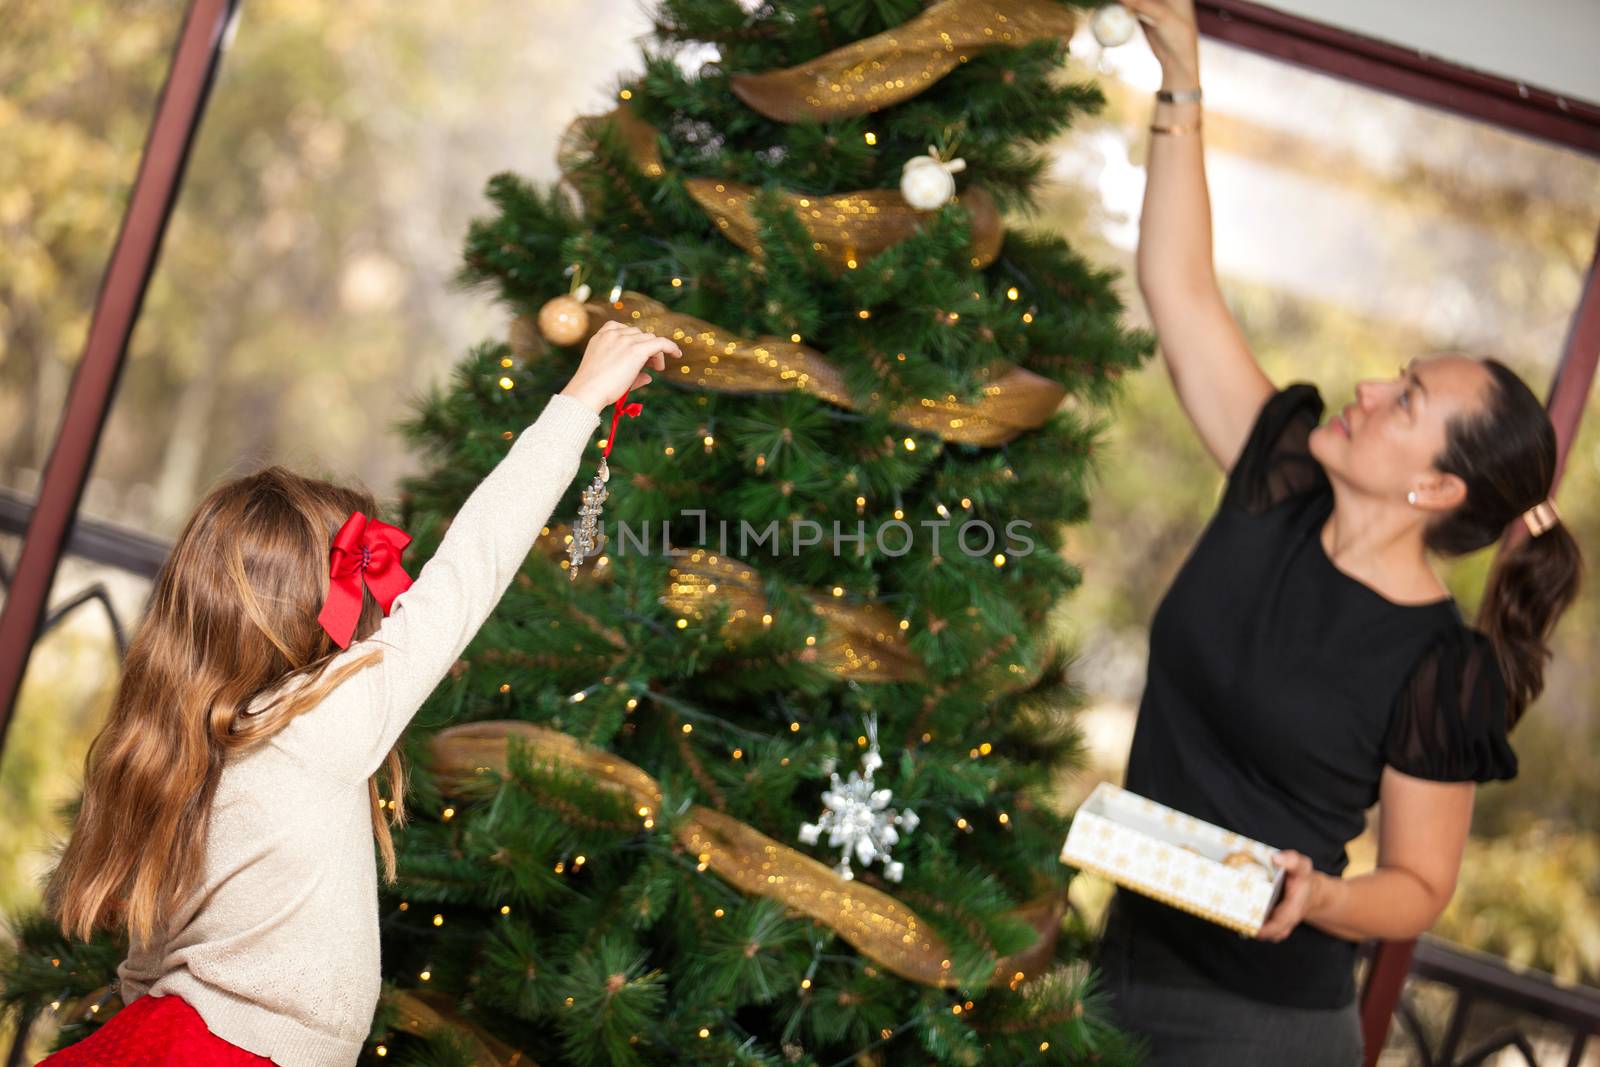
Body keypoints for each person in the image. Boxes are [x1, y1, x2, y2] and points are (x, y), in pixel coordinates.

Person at [1091, 0, 1586, 1063]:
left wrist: (1319, 896)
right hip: (1123, 957)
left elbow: (1417, 887)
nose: (1367, 385)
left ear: (1435, 491)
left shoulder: (1438, 667)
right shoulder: (1276, 478)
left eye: (1405, 398)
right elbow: (1175, 289)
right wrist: (1179, 76)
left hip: (1259, 1027)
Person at [38, 320, 682, 1066]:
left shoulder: (188, 739)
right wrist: (580, 399)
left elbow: (147, 964)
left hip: (159, 1038)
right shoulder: (315, 721)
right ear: (318, 611)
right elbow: (469, 568)